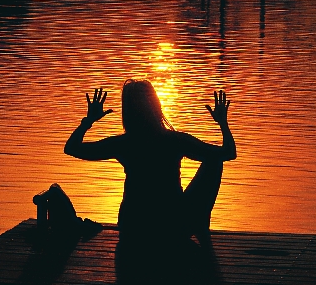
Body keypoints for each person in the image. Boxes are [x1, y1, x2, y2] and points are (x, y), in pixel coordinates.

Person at [64, 81, 236, 251]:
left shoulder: (123, 144)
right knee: (214, 160)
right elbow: (228, 153)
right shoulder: (175, 140)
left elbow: (72, 148)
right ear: (156, 106)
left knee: (213, 159)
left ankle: (197, 226)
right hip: (172, 229)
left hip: (132, 229)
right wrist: (222, 123)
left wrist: (88, 121)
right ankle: (200, 225)